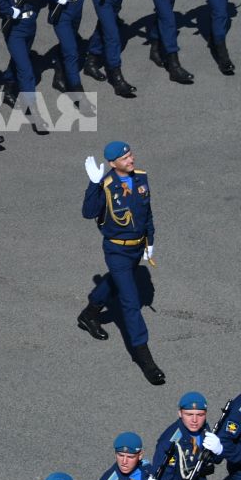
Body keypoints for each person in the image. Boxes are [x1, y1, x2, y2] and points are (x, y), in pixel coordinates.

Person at [77, 140, 165, 384]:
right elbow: (88, 212)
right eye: (125, 158)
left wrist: (150, 241)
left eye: (131, 155)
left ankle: (90, 313)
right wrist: (93, 184)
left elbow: (147, 212)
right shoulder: (106, 185)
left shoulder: (141, 178)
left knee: (117, 282)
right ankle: (144, 357)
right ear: (112, 163)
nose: (131, 160)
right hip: (116, 250)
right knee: (130, 302)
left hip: (137, 248)